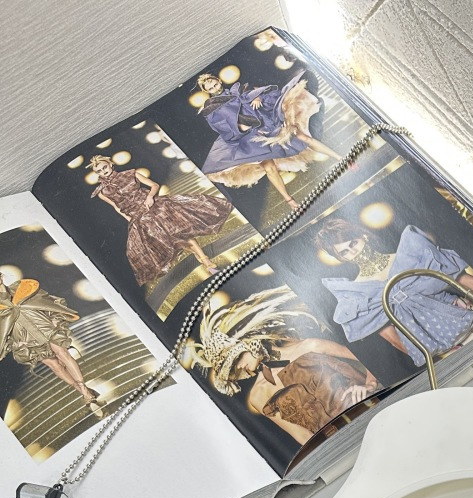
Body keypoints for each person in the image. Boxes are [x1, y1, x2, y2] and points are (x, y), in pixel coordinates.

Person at [189, 285, 382, 444]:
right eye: (231, 369)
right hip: (343, 446)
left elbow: (372, 357)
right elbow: (304, 438)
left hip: (375, 413)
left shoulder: (309, 346)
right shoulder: (259, 395)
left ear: (247, 341)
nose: (238, 368)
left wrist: (369, 385)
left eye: (236, 359)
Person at [318, 216, 473, 366]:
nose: (353, 252)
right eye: (344, 252)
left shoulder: (409, 255)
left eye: (353, 243)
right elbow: (393, 338)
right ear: (340, 259)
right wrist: (437, 363)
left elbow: (466, 280)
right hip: (449, 353)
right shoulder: (360, 295)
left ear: (363, 236)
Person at [196, 70, 340, 212]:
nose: (215, 88)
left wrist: (257, 97)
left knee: (303, 137)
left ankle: (339, 158)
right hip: (248, 137)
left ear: (219, 81)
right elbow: (223, 126)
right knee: (269, 167)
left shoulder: (237, 89)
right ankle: (290, 201)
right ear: (206, 91)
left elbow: (255, 93)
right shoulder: (212, 107)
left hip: (267, 120)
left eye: (215, 84)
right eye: (211, 88)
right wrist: (241, 126)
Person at [88, 155, 232, 285]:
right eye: (99, 171)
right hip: (138, 218)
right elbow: (117, 207)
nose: (103, 171)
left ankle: (206, 262)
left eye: (104, 167)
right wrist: (131, 220)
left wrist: (150, 197)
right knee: (169, 242)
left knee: (180, 234)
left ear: (110, 164)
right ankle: (202, 258)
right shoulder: (102, 192)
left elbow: (154, 185)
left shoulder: (131, 174)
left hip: (155, 207)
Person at [0, 274, 103, 416]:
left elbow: (45, 301)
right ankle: (83, 392)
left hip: (44, 327)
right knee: (55, 365)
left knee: (63, 354)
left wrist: (53, 319)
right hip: (25, 339)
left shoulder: (21, 288)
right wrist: (14, 343)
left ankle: (86, 393)